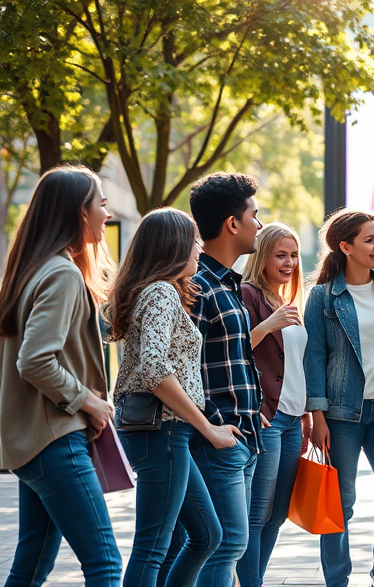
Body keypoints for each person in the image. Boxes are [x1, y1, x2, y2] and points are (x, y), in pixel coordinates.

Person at [0, 165, 121, 586]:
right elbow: (34, 361)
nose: (107, 213)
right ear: (78, 212)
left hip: (33, 442)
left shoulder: (32, 271)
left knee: (31, 566)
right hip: (56, 439)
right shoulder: (62, 273)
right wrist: (88, 400)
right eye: (101, 204)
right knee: (105, 564)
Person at [107, 208, 241, 587]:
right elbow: (153, 369)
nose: (199, 248)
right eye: (193, 240)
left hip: (167, 433)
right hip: (160, 432)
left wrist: (205, 424)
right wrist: (209, 429)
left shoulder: (158, 292)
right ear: (173, 246)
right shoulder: (162, 292)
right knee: (154, 545)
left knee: (206, 535)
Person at [305, 209, 374, 587]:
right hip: (341, 415)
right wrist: (317, 417)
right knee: (340, 504)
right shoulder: (322, 297)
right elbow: (314, 357)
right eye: (370, 239)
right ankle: (337, 580)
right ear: (346, 247)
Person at [188, 172, 264, 587]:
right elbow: (184, 367)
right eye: (255, 214)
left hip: (244, 435)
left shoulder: (229, 283)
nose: (259, 223)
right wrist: (216, 424)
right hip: (219, 439)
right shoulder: (198, 286)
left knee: (230, 543)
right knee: (227, 543)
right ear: (232, 224)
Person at [238, 222, 311, 586]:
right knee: (256, 514)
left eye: (294, 255)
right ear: (262, 256)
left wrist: (308, 414)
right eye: (280, 255)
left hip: (293, 419)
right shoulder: (248, 294)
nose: (289, 262)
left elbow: (297, 364)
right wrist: (267, 324)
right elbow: (234, 353)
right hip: (266, 417)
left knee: (278, 514)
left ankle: (255, 580)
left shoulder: (287, 300)